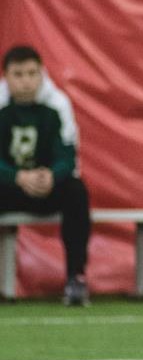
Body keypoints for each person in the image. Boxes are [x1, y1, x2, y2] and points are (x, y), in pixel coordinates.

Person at [0, 45, 91, 306]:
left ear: (42, 74)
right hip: (8, 187)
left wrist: (50, 176)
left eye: (32, 73)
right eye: (18, 74)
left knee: (76, 192)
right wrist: (16, 177)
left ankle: (76, 278)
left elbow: (68, 154)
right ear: (6, 76)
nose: (26, 81)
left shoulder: (57, 104)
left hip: (46, 188)